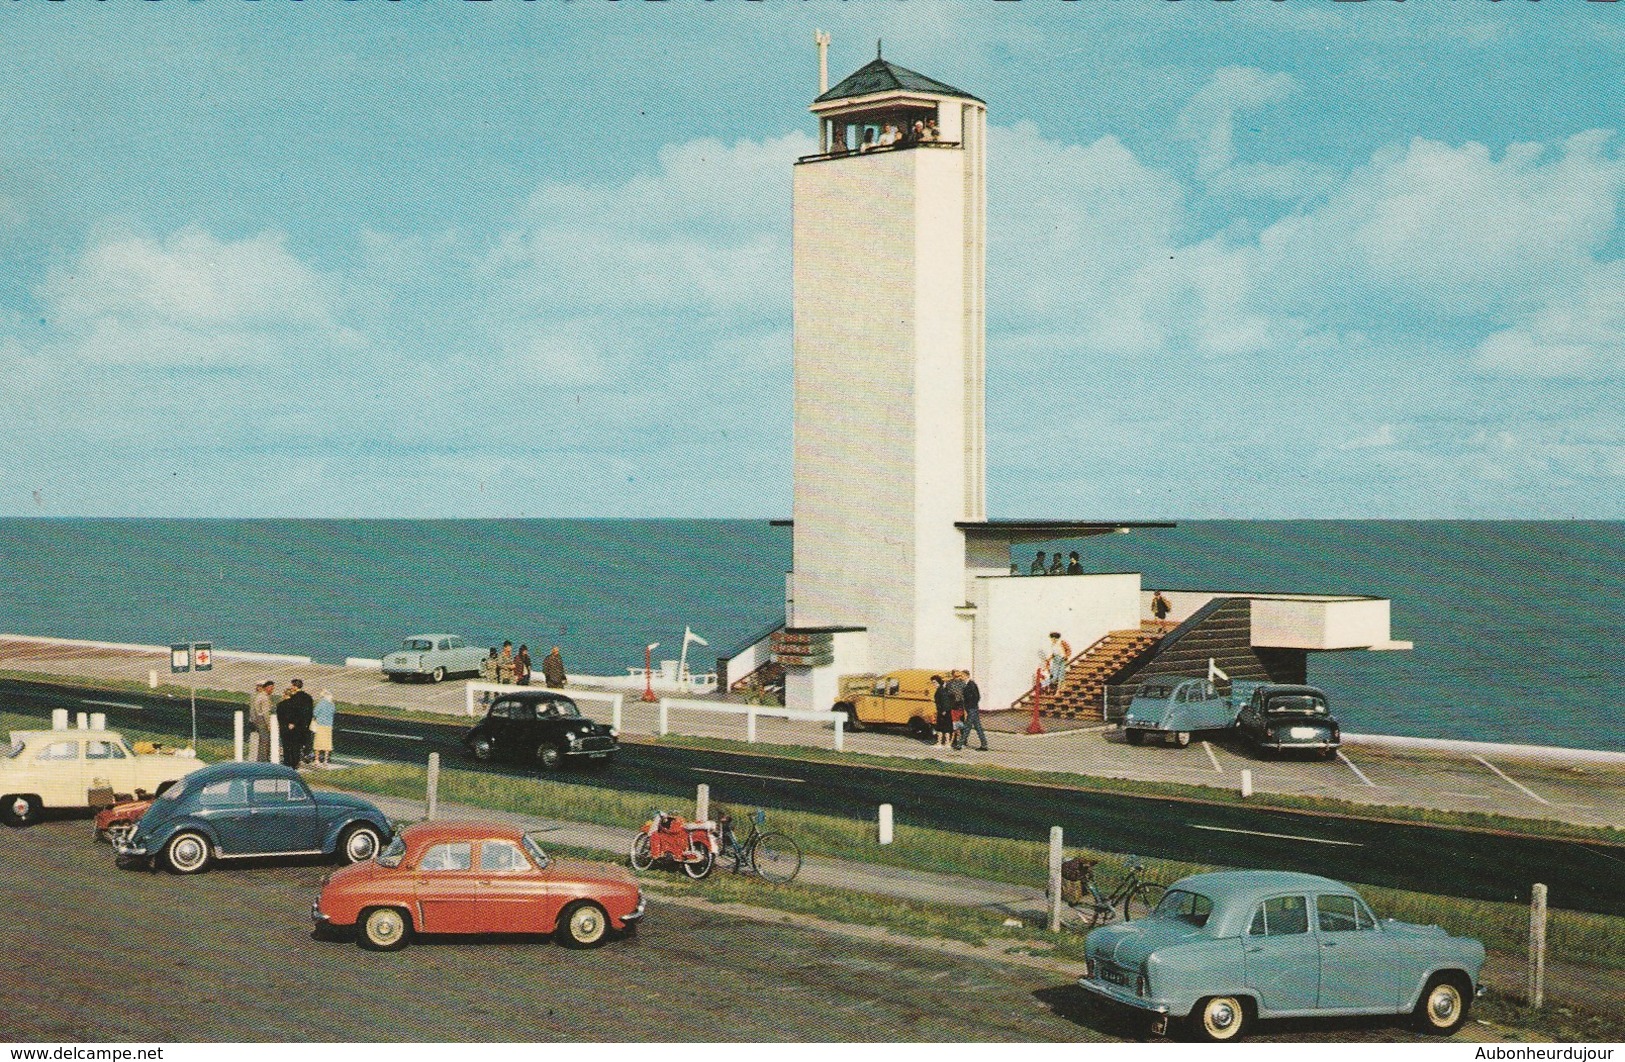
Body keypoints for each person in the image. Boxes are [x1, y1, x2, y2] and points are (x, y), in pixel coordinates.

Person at [278, 679, 315, 769]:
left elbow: (295, 712)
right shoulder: (308, 697)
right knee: (298, 747)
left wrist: (293, 723)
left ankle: (289, 764)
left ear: (294, 686)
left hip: (294, 726)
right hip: (304, 726)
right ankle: (296, 763)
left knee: (290, 746)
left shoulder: (295, 698)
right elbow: (309, 713)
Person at [956, 668, 989, 751]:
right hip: (971, 708)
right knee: (978, 727)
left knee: (967, 726)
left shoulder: (972, 684)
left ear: (967, 676)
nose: (961, 677)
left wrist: (971, 706)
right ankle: (984, 745)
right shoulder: (966, 684)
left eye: (962, 676)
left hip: (972, 709)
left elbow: (976, 697)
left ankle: (960, 744)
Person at [248, 679, 275, 762]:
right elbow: (265, 712)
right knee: (265, 740)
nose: (273, 690)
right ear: (267, 687)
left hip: (258, 719)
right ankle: (263, 759)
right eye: (272, 688)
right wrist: (268, 724)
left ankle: (261, 758)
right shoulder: (264, 697)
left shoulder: (259, 696)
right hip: (262, 720)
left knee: (262, 740)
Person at [311, 689, 336, 768]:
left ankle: (317, 760)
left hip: (320, 725)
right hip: (329, 725)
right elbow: (333, 713)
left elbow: (315, 713)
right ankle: (325, 760)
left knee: (318, 743)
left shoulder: (321, 703)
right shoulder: (332, 705)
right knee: (327, 744)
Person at [945, 671, 968, 750]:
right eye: (956, 676)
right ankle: (954, 740)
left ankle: (963, 741)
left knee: (961, 725)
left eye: (958, 676)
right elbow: (947, 693)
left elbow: (966, 694)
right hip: (953, 706)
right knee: (954, 725)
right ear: (953, 676)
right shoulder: (949, 683)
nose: (957, 678)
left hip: (961, 705)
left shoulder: (963, 683)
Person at [930, 674, 954, 748]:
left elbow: (944, 701)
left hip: (943, 711)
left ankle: (939, 743)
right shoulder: (943, 689)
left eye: (934, 682)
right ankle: (947, 744)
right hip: (946, 711)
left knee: (940, 727)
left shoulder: (940, 690)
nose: (933, 684)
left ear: (938, 682)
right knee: (946, 727)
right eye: (932, 682)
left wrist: (943, 710)